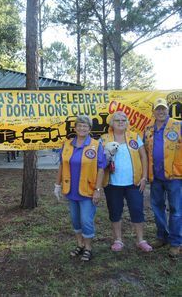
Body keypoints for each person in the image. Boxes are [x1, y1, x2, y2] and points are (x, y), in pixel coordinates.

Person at [53, 115, 105, 262]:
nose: (82, 128)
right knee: (75, 220)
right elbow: (62, 165)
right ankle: (80, 244)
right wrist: (57, 185)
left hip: (88, 190)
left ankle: (88, 248)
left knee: (86, 220)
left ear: (89, 129)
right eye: (80, 125)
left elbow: (101, 169)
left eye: (85, 126)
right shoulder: (67, 144)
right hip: (71, 190)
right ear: (75, 128)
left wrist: (98, 190)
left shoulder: (96, 145)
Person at [101, 111, 152, 252]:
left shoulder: (134, 137)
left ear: (127, 122)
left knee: (137, 211)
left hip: (134, 183)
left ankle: (141, 240)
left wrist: (144, 177)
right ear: (112, 123)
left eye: (124, 119)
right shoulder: (104, 138)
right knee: (115, 212)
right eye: (117, 120)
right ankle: (118, 240)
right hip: (112, 183)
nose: (121, 122)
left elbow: (143, 157)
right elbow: (99, 162)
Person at [144, 98, 182, 259]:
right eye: (158, 109)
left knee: (176, 210)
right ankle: (162, 237)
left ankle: (176, 242)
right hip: (156, 177)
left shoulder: (178, 125)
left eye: (163, 109)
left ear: (168, 110)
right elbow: (145, 152)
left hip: (175, 176)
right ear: (153, 111)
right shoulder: (148, 129)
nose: (161, 112)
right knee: (157, 207)